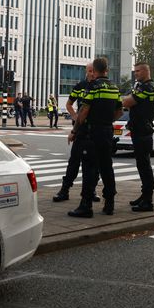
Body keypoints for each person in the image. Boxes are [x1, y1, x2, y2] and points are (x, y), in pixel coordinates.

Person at [67, 57, 122, 218]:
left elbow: (83, 112)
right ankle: (109, 204)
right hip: (107, 132)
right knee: (106, 168)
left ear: (95, 71)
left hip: (92, 134)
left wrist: (75, 130)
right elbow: (119, 112)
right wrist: (107, 121)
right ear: (107, 70)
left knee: (89, 169)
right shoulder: (114, 88)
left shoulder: (93, 87)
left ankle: (86, 205)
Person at [53, 63, 99, 203]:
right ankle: (64, 190)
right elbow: (69, 104)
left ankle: (92, 190)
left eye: (93, 71)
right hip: (80, 129)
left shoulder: (99, 87)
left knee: (93, 165)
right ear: (86, 72)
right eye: (89, 71)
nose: (91, 73)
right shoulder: (80, 86)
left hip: (95, 130)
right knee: (74, 162)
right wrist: (74, 116)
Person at [122, 62, 154, 212]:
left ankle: (148, 201)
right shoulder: (143, 87)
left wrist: (127, 99)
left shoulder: (147, 88)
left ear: (145, 71)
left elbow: (127, 102)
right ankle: (144, 196)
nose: (135, 73)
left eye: (138, 71)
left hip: (143, 132)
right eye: (134, 71)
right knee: (142, 165)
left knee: (144, 167)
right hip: (140, 130)